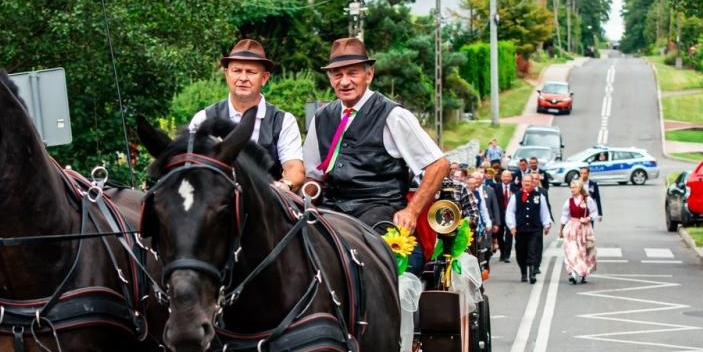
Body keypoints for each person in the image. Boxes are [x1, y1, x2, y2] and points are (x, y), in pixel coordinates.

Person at [304, 37, 448, 266]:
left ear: (369, 75)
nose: (345, 82)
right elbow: (312, 174)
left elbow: (438, 165)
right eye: (337, 75)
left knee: (377, 261)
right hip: (330, 210)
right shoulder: (321, 118)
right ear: (330, 78)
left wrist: (411, 212)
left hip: (379, 210)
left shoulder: (394, 115)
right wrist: (307, 188)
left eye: (352, 73)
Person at [187, 38, 305, 192]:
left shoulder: (283, 121)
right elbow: (189, 165)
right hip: (215, 205)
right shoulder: (203, 118)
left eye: (251, 72)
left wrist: (284, 185)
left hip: (265, 205)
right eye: (237, 71)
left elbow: (294, 168)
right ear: (227, 74)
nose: (243, 78)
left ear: (264, 78)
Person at [505, 172, 555, 283]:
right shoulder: (515, 197)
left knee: (533, 249)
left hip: (535, 229)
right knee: (521, 251)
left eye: (529, 181)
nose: (527, 183)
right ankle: (523, 272)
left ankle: (532, 272)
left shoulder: (539, 196)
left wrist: (546, 224)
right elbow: (510, 213)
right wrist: (512, 226)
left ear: (533, 183)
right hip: (521, 229)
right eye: (525, 181)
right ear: (522, 183)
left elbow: (544, 212)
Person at [560, 178, 597, 284]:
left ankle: (583, 273)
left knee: (583, 251)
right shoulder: (568, 201)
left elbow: (594, 213)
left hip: (584, 229)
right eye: (571, 187)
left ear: (580, 188)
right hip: (571, 228)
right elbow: (564, 216)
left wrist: (588, 218)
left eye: (574, 187)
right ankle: (573, 273)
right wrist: (561, 229)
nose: (572, 190)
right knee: (571, 251)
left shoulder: (587, 200)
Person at [469, 169, 500, 262]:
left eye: (478, 179)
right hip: (472, 225)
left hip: (484, 224)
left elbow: (488, 208)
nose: (476, 182)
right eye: (474, 179)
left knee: (486, 248)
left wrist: (492, 223)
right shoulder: (466, 192)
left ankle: (485, 264)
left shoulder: (488, 190)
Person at [494, 168, 517, 264]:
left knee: (509, 235)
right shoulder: (495, 188)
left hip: (510, 215)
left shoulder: (516, 189)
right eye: (504, 176)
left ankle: (507, 255)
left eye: (508, 176)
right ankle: (502, 252)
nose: (506, 178)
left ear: (511, 178)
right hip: (499, 215)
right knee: (499, 235)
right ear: (501, 177)